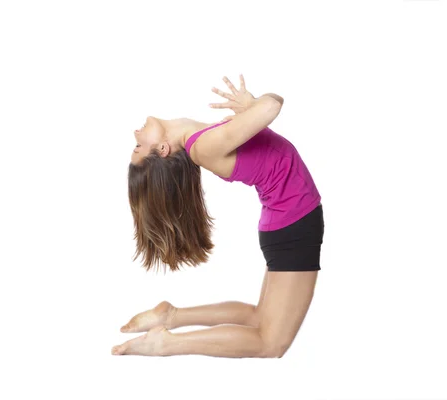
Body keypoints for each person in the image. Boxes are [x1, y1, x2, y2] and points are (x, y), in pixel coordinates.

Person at [112, 75, 324, 358]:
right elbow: (271, 107)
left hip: (287, 220)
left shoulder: (201, 139)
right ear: (162, 150)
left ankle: (172, 315)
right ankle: (166, 344)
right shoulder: (203, 146)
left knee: (261, 318)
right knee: (271, 343)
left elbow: (274, 103)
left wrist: (254, 105)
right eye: (138, 147)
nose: (135, 136)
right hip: (295, 221)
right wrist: (254, 105)